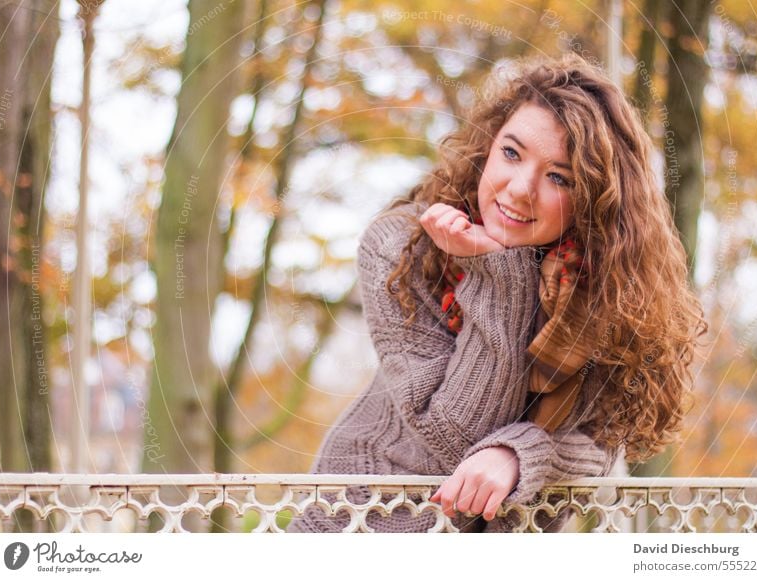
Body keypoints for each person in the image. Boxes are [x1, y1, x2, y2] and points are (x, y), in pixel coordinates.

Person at [285, 53, 708, 533]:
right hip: (366, 526)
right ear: (487, 148)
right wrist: (496, 268)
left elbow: (601, 445)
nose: (520, 188)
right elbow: (453, 435)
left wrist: (518, 454)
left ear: (594, 197)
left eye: (559, 177)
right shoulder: (402, 248)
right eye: (511, 153)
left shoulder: (606, 292)